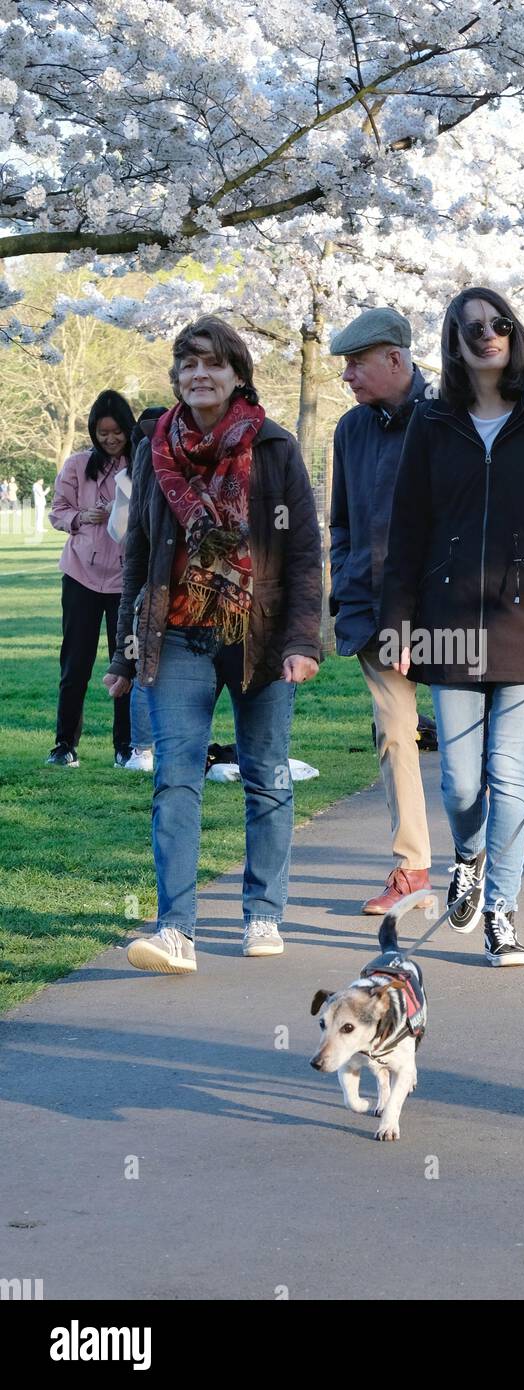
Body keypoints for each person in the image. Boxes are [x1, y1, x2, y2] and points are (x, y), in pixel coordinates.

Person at [380, 287, 524, 967]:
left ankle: (501, 913)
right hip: (447, 625)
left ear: (515, 332)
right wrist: (397, 621)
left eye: (499, 322)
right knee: (458, 784)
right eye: (473, 326)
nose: (488, 333)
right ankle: (468, 858)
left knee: (509, 775)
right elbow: (407, 529)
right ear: (453, 341)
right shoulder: (431, 421)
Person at [103, 315, 322, 974]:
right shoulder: (154, 447)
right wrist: (124, 653)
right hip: (175, 637)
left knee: (267, 776)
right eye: (188, 364)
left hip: (257, 637)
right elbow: (138, 555)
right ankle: (177, 931)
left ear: (237, 374)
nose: (199, 375)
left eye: (212, 364)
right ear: (177, 376)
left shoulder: (275, 447)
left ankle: (263, 913)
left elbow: (304, 552)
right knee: (175, 780)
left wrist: (303, 640)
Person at [329, 307, 434, 915]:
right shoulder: (350, 430)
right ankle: (412, 867)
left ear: (395, 360)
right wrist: (345, 580)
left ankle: (480, 867)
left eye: (357, 364)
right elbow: (342, 519)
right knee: (395, 734)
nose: (348, 376)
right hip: (371, 609)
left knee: (469, 749)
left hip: (444, 615)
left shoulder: (448, 418)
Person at [47, 389, 136, 767]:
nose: (111, 439)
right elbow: (57, 512)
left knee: (125, 664)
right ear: (93, 433)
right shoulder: (76, 466)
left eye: (117, 432)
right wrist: (82, 517)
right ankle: (65, 745)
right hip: (81, 575)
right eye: (103, 433)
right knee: (76, 663)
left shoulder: (140, 465)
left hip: (126, 581)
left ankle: (126, 747)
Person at [106, 407, 169, 771]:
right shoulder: (135, 475)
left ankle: (142, 749)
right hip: (147, 581)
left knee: (146, 661)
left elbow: (119, 530)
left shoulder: (131, 476)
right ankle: (144, 747)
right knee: (144, 662)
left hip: (148, 582)